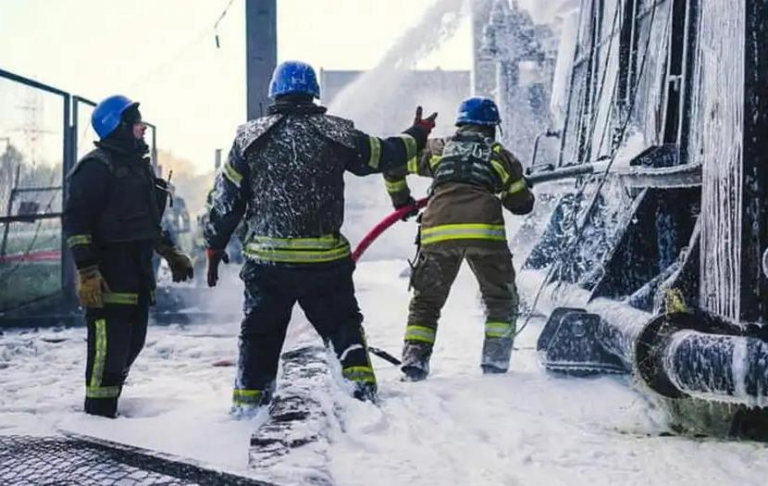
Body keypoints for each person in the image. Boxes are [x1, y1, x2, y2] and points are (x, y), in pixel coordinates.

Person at [204, 60, 436, 412]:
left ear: (275, 93)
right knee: (343, 327)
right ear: (314, 93)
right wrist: (418, 132)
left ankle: (248, 410)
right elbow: (385, 153)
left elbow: (226, 202)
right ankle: (363, 397)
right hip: (325, 265)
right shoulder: (337, 134)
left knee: (260, 337)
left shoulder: (248, 139)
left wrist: (214, 246)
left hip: (268, 266)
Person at [382, 96, 534, 381]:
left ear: (461, 123)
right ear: (492, 127)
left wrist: (402, 201)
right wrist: (518, 183)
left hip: (439, 230)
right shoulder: (503, 156)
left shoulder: (439, 148)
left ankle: (415, 359)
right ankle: (495, 362)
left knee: (427, 301)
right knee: (500, 299)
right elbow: (521, 204)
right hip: (484, 233)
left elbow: (393, 164)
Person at [63, 95, 194, 418]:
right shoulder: (95, 168)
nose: (142, 127)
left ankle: (108, 413)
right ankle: (97, 421)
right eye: (136, 121)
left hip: (137, 277)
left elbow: (146, 222)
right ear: (117, 126)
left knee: (130, 346)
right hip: (108, 278)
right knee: (108, 353)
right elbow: (77, 223)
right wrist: (88, 271)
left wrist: (171, 252)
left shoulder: (139, 169)